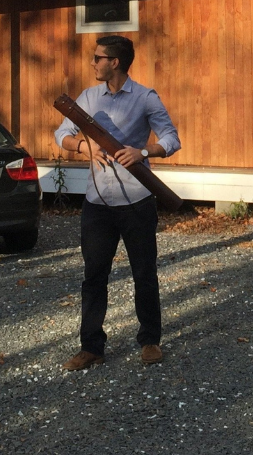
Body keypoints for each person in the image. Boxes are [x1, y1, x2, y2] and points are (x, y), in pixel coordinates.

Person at [54, 35, 181, 370]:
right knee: (94, 275)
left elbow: (171, 139)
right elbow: (60, 134)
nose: (92, 63)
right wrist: (83, 147)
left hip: (137, 201)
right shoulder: (87, 98)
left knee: (143, 272)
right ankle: (91, 347)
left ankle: (150, 341)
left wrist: (142, 151)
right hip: (97, 203)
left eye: (98, 58)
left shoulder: (144, 98)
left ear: (115, 62)